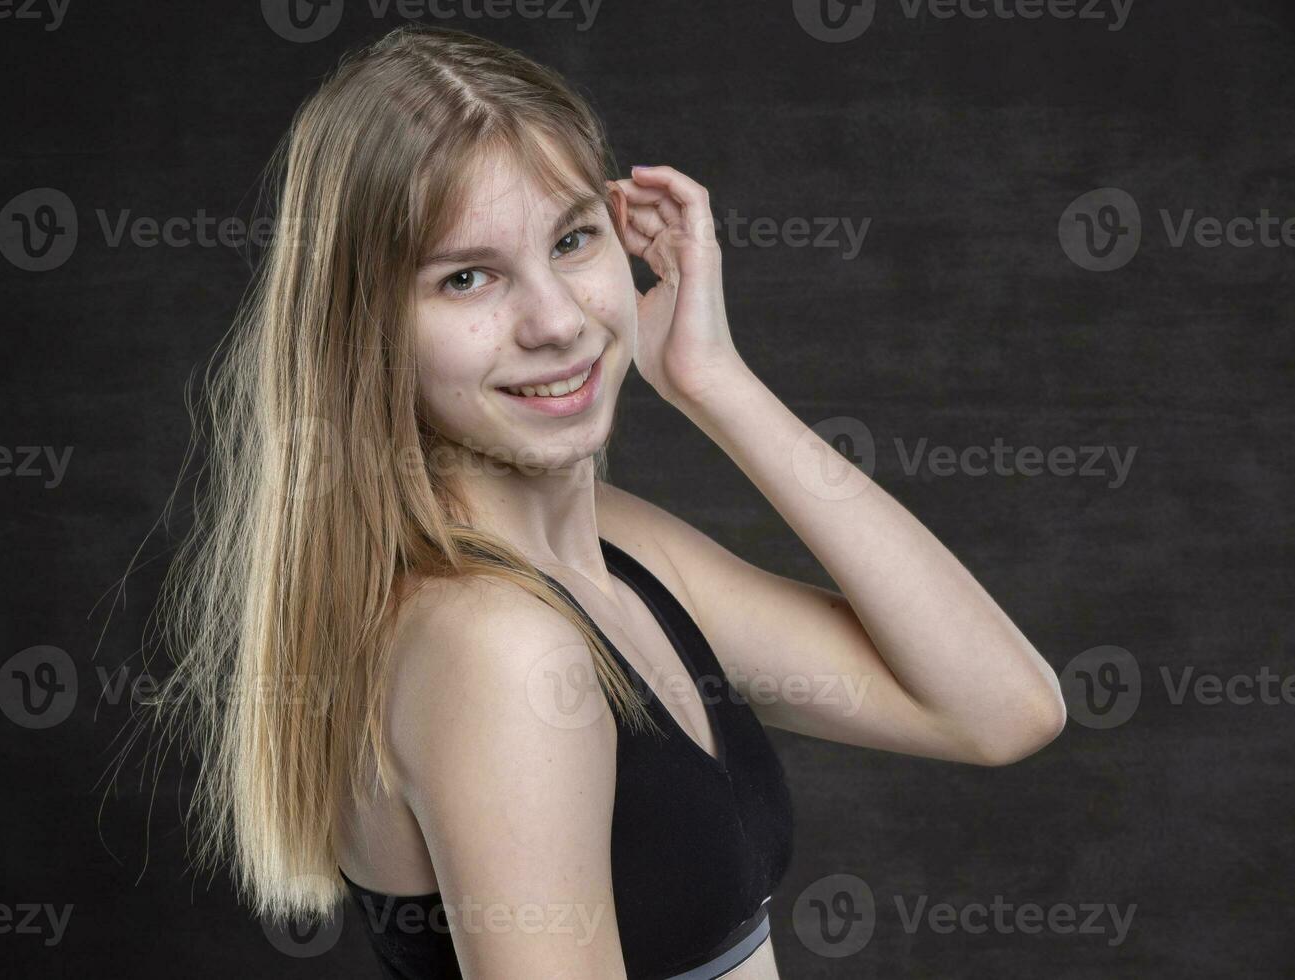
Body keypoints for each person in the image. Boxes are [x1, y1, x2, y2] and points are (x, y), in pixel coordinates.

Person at [140, 24, 1066, 979]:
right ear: (363, 334)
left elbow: (997, 709)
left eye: (573, 239)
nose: (555, 320)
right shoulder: (498, 646)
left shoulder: (613, 550)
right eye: (467, 277)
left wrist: (714, 381)